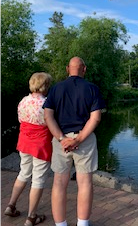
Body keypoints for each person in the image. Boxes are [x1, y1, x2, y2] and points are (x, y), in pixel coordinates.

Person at [43, 57, 105, 226]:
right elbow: (96, 118)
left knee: (59, 183)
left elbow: (48, 116)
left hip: (60, 141)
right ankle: (82, 224)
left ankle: (60, 224)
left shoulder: (56, 89)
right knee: (85, 183)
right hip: (84, 140)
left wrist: (62, 139)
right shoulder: (92, 88)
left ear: (67, 69)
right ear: (84, 69)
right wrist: (78, 139)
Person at [4, 72, 52, 226]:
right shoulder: (47, 104)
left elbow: (21, 120)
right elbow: (51, 124)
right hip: (40, 145)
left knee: (23, 173)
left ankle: (11, 205)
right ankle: (31, 217)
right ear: (45, 86)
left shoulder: (23, 101)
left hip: (24, 142)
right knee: (38, 179)